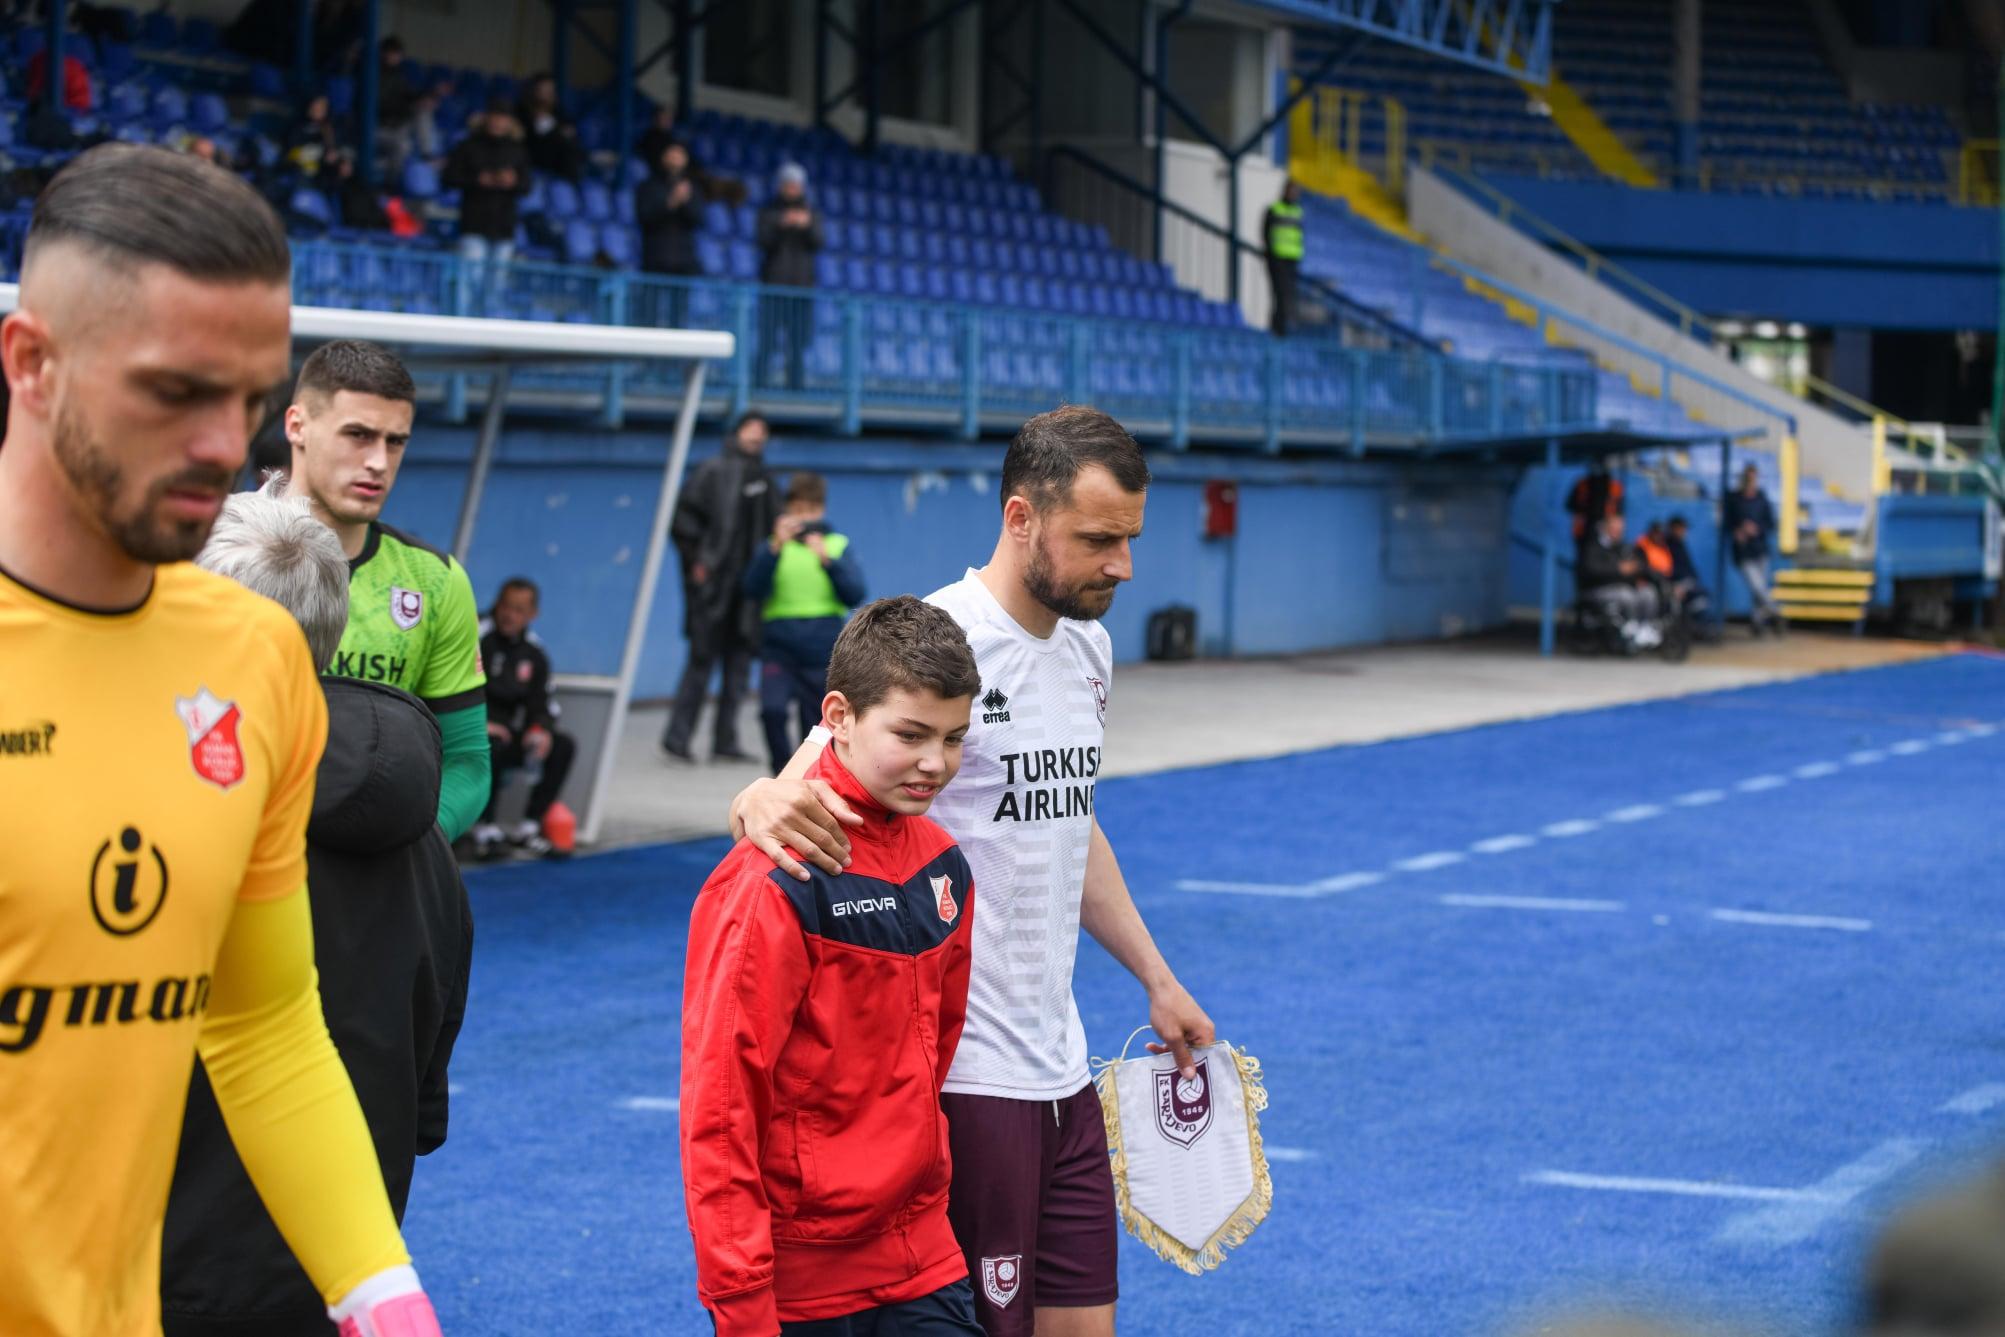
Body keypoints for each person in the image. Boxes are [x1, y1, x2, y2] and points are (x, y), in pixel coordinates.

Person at [0, 142, 441, 1337]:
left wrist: (380, 1287)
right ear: (31, 363)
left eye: (244, 399)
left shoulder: (251, 656)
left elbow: (263, 1023)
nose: (220, 442)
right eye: (173, 391)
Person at [732, 405, 1216, 1336]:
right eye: (1099, 539)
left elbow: (1066, 821)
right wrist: (752, 797)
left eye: (1129, 539)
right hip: (962, 1080)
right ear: (1021, 517)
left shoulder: (1089, 646)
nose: (1121, 565)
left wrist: (1156, 977)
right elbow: (795, 786)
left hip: (1062, 1070)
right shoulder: (937, 639)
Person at [163, 486, 474, 1337]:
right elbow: (423, 1099)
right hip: (343, 1270)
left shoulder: (171, 816)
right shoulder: (428, 846)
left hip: (165, 1267)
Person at [682, 595, 984, 1337]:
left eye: (952, 738)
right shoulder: (773, 878)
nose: (933, 762)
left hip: (923, 1255)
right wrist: (743, 1304)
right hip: (799, 1283)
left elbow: (931, 1055)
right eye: (910, 734)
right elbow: (721, 1110)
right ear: (838, 716)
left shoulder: (944, 866)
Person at [281, 339, 491, 841]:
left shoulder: (435, 581)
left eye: (395, 441)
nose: (378, 461)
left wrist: (406, 847)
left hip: (376, 885)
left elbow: (468, 762)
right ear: (297, 426)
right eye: (358, 434)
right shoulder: (215, 554)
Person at [663, 413, 780, 763]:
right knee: (701, 662)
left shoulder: (766, 479)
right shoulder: (711, 472)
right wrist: (700, 563)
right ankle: (677, 737)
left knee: (738, 666)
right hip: (714, 589)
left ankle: (725, 740)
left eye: (762, 431)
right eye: (751, 430)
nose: (756, 437)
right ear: (737, 433)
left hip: (748, 591)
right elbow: (683, 522)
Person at [743, 471, 866, 773]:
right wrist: (773, 550)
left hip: (821, 648)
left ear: (821, 510)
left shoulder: (836, 544)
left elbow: (854, 594)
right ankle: (782, 772)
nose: (804, 517)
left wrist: (827, 561)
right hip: (779, 648)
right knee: (771, 711)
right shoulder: (773, 546)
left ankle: (810, 778)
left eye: (810, 510)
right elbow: (750, 588)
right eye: (797, 510)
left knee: (815, 722)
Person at [472, 576, 576, 860]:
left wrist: (540, 729)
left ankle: (528, 827)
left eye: (519, 610)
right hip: (472, 729)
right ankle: (485, 830)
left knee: (562, 745)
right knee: (490, 743)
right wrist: (479, 722)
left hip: (511, 735)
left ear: (532, 614)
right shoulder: (476, 637)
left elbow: (543, 702)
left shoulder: (535, 652)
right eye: (506, 606)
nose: (510, 615)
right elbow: (455, 688)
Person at [442, 99, 529, 316]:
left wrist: (513, 181)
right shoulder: (468, 146)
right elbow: (449, 177)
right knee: (470, 278)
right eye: (495, 116)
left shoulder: (517, 150)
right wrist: (478, 179)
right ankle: (460, 327)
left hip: (504, 226)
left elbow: (527, 185)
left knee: (497, 283)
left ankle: (491, 330)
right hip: (474, 223)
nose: (499, 122)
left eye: (504, 118)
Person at [756, 161, 823, 391]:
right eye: (789, 184)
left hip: (802, 289)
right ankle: (759, 384)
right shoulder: (769, 212)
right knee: (768, 340)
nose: (793, 189)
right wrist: (782, 224)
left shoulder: (811, 214)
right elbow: (762, 241)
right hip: (774, 286)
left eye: (796, 185)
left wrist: (807, 226)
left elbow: (819, 242)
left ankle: (796, 386)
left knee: (798, 342)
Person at [1577, 512, 1662, 647]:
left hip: (1623, 587)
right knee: (1625, 594)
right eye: (1615, 529)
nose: (1618, 532)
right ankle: (1631, 627)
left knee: (1647, 593)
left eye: (1620, 530)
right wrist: (1618, 570)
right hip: (1597, 590)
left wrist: (1635, 570)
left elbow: (1637, 567)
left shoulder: (1623, 547)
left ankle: (1645, 628)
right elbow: (1591, 570)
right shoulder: (1593, 546)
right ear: (1605, 528)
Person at [1722, 463, 1783, 636]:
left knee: (1760, 589)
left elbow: (1770, 523)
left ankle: (1757, 623)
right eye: (1748, 477)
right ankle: (1777, 612)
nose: (1751, 481)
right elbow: (1727, 524)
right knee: (1757, 586)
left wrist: (1756, 528)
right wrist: (1738, 530)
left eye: (1754, 477)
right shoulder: (1734, 499)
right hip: (1743, 552)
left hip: (1760, 549)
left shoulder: (1762, 499)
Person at [637, 137, 703, 280]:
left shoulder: (692, 189)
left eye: (680, 154)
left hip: (684, 260)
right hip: (655, 257)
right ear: (663, 157)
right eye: (672, 154)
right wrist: (671, 202)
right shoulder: (649, 186)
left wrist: (684, 202)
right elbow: (644, 217)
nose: (676, 158)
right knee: (650, 300)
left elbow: (698, 219)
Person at [517, 72, 585, 183]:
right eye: (543, 89)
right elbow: (525, 135)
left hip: (557, 154)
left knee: (571, 147)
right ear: (534, 90)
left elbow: (568, 128)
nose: (547, 93)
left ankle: (571, 184)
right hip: (533, 153)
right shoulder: (522, 110)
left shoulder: (557, 110)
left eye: (550, 90)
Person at [1264, 179, 1304, 336]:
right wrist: (1271, 255)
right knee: (1279, 295)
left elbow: (1299, 236)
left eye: (1296, 191)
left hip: (1292, 260)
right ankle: (1277, 330)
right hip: (1277, 259)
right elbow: (1266, 234)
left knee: (1289, 296)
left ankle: (1285, 331)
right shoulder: (1275, 209)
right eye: (1292, 190)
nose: (1294, 194)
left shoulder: (1298, 211)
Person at [1662, 514, 1713, 629]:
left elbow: (1690, 569)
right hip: (1674, 584)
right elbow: (1668, 570)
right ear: (1674, 528)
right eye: (1681, 528)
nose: (1684, 531)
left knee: (1703, 596)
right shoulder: (1666, 545)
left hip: (1688, 582)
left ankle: (1700, 628)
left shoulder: (1681, 544)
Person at [1567, 460, 1624, 549]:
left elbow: (1619, 510)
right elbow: (1570, 505)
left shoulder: (1615, 486)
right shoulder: (1582, 484)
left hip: (1606, 529)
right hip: (1584, 530)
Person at [286, 92, 343, 178]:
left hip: (324, 172)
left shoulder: (331, 126)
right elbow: (292, 147)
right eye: (315, 107)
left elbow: (337, 149)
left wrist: (334, 153)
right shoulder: (299, 124)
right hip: (299, 168)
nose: (318, 110)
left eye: (322, 108)